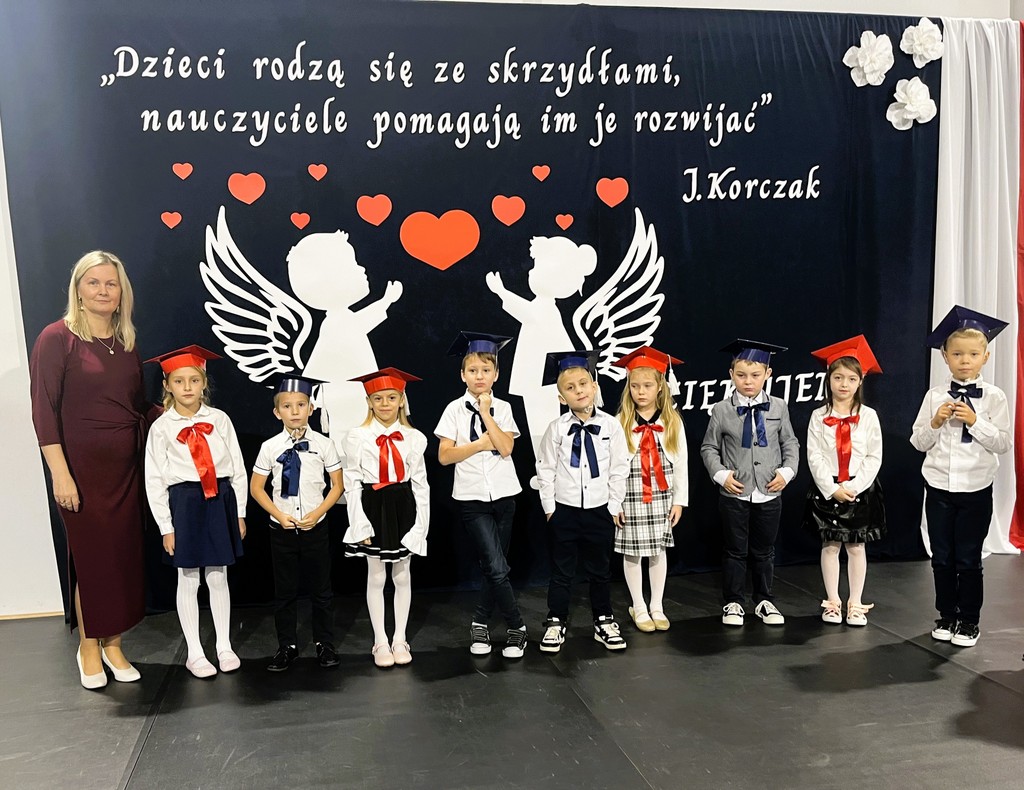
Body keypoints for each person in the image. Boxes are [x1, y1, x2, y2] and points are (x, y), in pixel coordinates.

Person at [30, 250, 159, 689]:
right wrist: (60, 474)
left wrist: (183, 415)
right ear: (79, 290)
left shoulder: (126, 343)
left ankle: (114, 644)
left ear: (122, 292)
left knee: (122, 559)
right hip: (81, 472)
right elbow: (44, 412)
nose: (103, 291)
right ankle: (89, 646)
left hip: (126, 471)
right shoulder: (57, 338)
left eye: (111, 283)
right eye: (94, 283)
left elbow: (138, 407)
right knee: (94, 561)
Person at [911, 306, 1011, 648]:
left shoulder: (994, 397)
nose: (964, 360)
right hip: (939, 487)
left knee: (968, 559)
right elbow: (918, 442)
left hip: (975, 489)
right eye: (957, 354)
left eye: (972, 354)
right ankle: (946, 615)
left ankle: (969, 621)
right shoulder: (934, 396)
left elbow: (1003, 443)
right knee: (942, 558)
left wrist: (975, 421)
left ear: (985, 357)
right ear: (945, 356)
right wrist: (936, 422)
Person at [144, 346, 247, 678]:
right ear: (167, 385)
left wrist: (240, 512)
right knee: (188, 577)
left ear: (204, 383)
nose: (187, 387)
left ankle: (224, 646)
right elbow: (154, 479)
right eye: (179, 381)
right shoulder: (161, 427)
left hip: (219, 500)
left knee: (218, 574)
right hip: (185, 503)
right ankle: (195, 652)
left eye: (194, 380)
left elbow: (238, 467)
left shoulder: (220, 420)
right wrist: (166, 526)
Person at [435, 332, 527, 659]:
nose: (479, 376)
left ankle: (480, 622)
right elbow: (444, 456)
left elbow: (506, 447)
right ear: (462, 374)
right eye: (473, 371)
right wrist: (478, 445)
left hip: (504, 496)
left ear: (496, 374)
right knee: (497, 566)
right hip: (472, 499)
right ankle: (517, 626)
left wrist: (486, 414)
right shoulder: (453, 410)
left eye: (486, 371)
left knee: (494, 566)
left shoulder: (503, 408)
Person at [700, 340, 800, 627]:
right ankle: (733, 601)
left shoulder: (779, 406)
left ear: (767, 374)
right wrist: (721, 475)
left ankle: (764, 600)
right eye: (741, 375)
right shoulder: (722, 409)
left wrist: (787, 472)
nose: (748, 381)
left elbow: (790, 443)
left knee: (765, 550)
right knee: (735, 549)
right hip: (736, 492)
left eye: (755, 375)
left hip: (769, 490)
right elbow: (709, 447)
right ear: (731, 374)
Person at [536, 350, 630, 654]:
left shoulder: (611, 426)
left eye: (583, 384)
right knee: (562, 571)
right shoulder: (557, 428)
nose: (579, 391)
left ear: (594, 385)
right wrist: (550, 508)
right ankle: (556, 621)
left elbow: (619, 468)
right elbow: (545, 468)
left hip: (599, 510)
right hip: (564, 511)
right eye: (570, 387)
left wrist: (613, 505)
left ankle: (603, 620)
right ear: (561, 397)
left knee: (600, 570)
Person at [250, 373, 343, 672]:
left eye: (301, 405)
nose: (294, 411)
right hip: (282, 529)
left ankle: (324, 643)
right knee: (285, 591)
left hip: (315, 527)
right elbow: (256, 488)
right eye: (287, 406)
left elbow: (337, 486)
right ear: (277, 412)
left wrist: (318, 513)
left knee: (321, 590)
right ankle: (286, 646)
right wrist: (279, 515)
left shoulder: (324, 445)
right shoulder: (269, 446)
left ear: (310, 408)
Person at [343, 368, 429, 668]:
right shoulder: (357, 436)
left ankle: (400, 638)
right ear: (368, 402)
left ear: (402, 400)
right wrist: (359, 522)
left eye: (391, 398)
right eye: (378, 398)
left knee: (402, 574)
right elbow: (352, 482)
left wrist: (421, 526)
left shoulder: (414, 438)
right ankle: (380, 639)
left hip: (403, 505)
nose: (385, 404)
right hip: (373, 505)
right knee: (377, 575)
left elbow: (421, 484)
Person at [804, 336, 886, 626]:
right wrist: (832, 489)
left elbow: (874, 456)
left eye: (851, 378)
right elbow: (814, 456)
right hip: (828, 490)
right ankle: (832, 602)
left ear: (860, 381)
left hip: (858, 490)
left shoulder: (869, 416)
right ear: (829, 379)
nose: (844, 384)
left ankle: (855, 603)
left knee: (856, 547)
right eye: (837, 377)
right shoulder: (818, 416)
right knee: (829, 545)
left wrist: (853, 486)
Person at [612, 346, 688, 633]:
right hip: (631, 494)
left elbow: (681, 463)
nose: (640, 392)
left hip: (660, 493)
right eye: (635, 386)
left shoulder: (671, 421)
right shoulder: (620, 422)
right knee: (632, 552)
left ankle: (657, 605)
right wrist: (615, 502)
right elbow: (613, 467)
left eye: (647, 386)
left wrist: (679, 500)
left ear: (660, 387)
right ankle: (639, 605)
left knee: (658, 550)